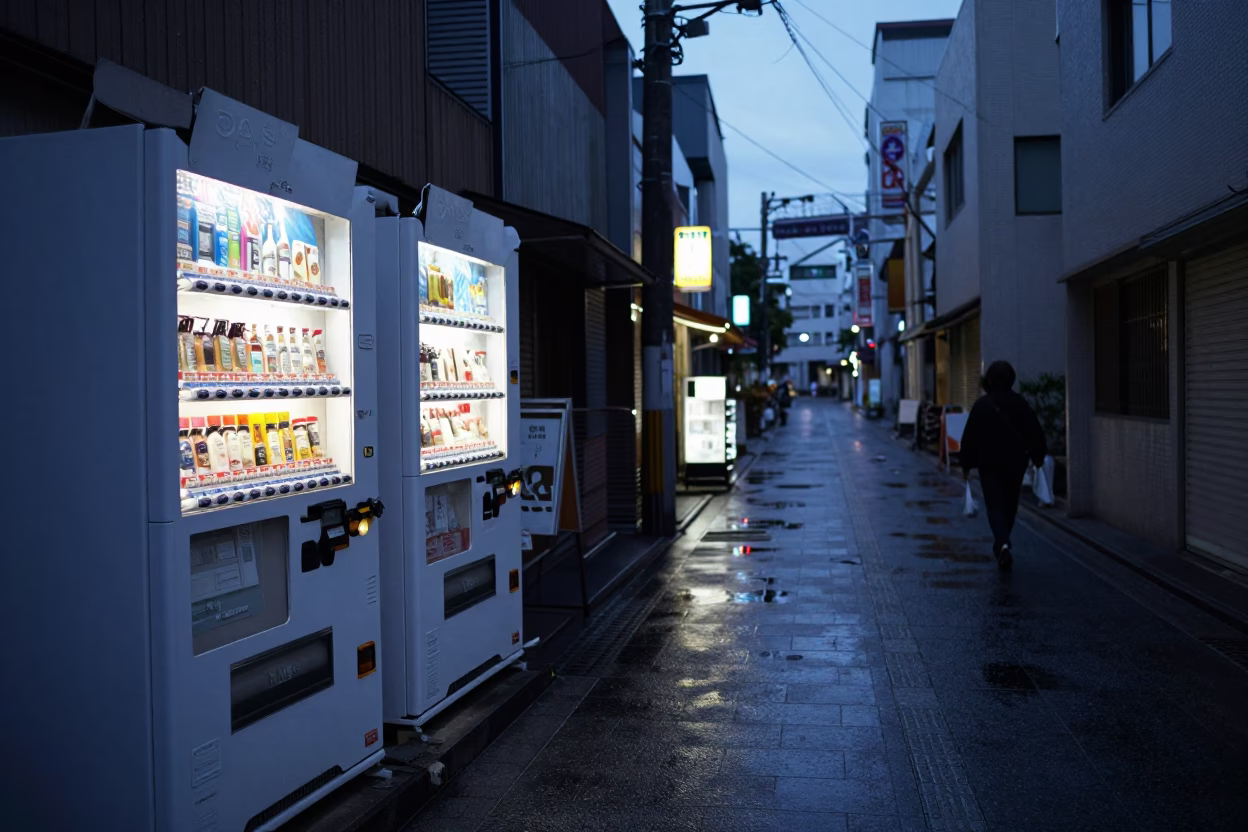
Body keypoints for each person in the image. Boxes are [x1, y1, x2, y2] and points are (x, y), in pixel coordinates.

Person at [959, 360, 1046, 570]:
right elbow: (1034, 430)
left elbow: (969, 436)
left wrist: (966, 463)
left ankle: (1003, 543)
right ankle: (1003, 541)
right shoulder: (1019, 402)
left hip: (989, 463)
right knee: (1010, 503)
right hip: (1015, 462)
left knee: (994, 504)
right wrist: (1038, 457)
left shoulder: (982, 405)